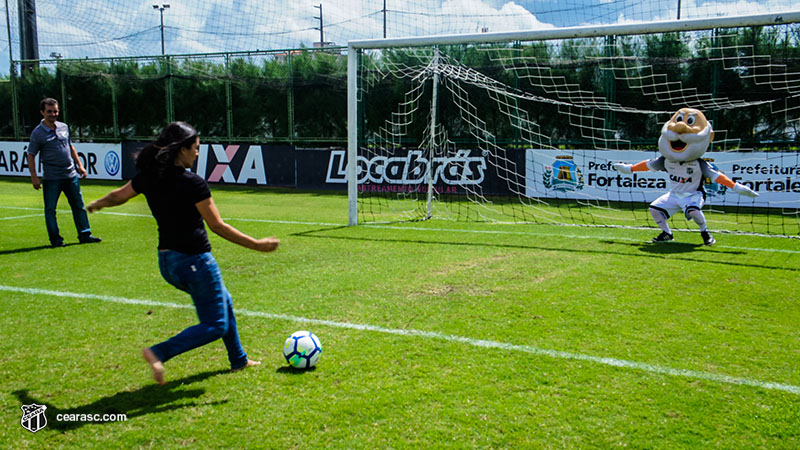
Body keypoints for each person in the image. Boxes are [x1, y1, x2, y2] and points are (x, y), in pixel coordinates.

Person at [87, 121, 279, 385]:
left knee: (225, 301)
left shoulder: (150, 175)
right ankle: (158, 352)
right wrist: (256, 244)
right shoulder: (192, 183)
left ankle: (239, 359)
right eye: (195, 148)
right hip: (194, 262)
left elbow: (119, 196)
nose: (198, 154)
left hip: (168, 263)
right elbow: (217, 226)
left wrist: (98, 204)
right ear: (182, 149)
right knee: (215, 325)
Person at [613, 107, 758, 245]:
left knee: (694, 211)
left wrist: (736, 187)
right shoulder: (666, 160)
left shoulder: (698, 164)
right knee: (654, 209)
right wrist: (629, 169)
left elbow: (717, 176)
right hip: (674, 194)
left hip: (694, 194)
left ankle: (705, 233)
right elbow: (648, 165)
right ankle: (666, 233)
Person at [26, 98, 102, 247]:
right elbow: (31, 155)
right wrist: (34, 177)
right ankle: (56, 240)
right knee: (50, 210)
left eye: (55, 111)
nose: (53, 114)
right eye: (49, 111)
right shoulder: (38, 133)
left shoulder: (64, 127)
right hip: (52, 177)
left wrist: (80, 165)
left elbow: (70, 147)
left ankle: (85, 234)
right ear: (42, 112)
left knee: (79, 206)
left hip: (70, 175)